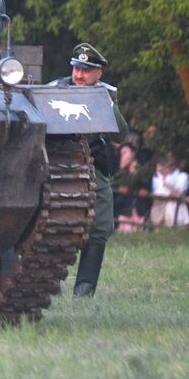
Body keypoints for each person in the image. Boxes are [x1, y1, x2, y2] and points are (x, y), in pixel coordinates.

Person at [52, 44, 128, 296]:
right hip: (57, 162)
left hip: (92, 164)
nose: (79, 75)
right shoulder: (54, 89)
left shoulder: (104, 95)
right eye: (76, 68)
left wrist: (106, 104)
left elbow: (121, 135)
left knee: (100, 227)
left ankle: (84, 290)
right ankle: (48, 283)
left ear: (99, 73)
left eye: (86, 70)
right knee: (54, 224)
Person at [150, 152, 189, 229]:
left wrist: (166, 181)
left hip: (177, 213)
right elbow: (155, 197)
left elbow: (178, 194)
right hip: (160, 213)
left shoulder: (182, 176)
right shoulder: (156, 177)